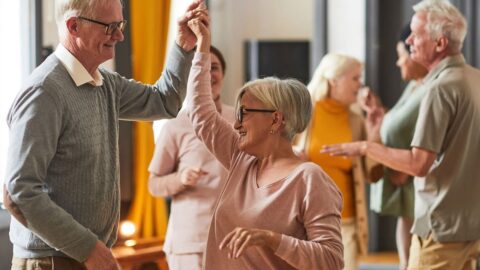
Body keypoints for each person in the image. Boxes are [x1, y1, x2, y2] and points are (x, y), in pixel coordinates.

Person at [2, 0, 208, 269]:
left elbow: (165, 101)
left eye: (120, 25)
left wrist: (182, 46)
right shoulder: (45, 92)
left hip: (82, 256)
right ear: (73, 26)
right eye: (110, 27)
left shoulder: (106, 84)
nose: (120, 35)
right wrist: (88, 248)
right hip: (51, 261)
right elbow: (19, 192)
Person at [322, 0, 480, 269]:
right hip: (471, 227)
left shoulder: (439, 89)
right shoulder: (474, 78)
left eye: (416, 34)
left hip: (440, 230)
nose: (409, 40)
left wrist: (365, 147)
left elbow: (418, 165)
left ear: (440, 44)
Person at [183, 16, 344, 269]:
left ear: (275, 120)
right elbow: (201, 112)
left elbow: (332, 261)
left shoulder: (309, 179)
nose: (236, 124)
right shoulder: (241, 159)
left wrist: (272, 239)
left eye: (244, 114)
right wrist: (202, 46)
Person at [147, 45, 235, 270]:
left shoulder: (239, 119)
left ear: (223, 74)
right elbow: (154, 184)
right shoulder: (175, 124)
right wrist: (181, 178)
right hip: (191, 242)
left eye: (214, 68)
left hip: (235, 239)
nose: (208, 74)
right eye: (201, 68)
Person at [360, 24, 428, 270]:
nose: (399, 63)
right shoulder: (414, 86)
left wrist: (408, 166)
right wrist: (380, 113)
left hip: (418, 182)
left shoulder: (432, 91)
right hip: (408, 189)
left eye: (401, 56)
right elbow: (402, 123)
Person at [295, 53, 369, 270]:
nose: (360, 84)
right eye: (355, 78)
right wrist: (294, 154)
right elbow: (275, 152)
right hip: (306, 221)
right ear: (333, 80)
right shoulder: (304, 112)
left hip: (345, 222)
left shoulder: (356, 120)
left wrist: (374, 131)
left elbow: (373, 173)